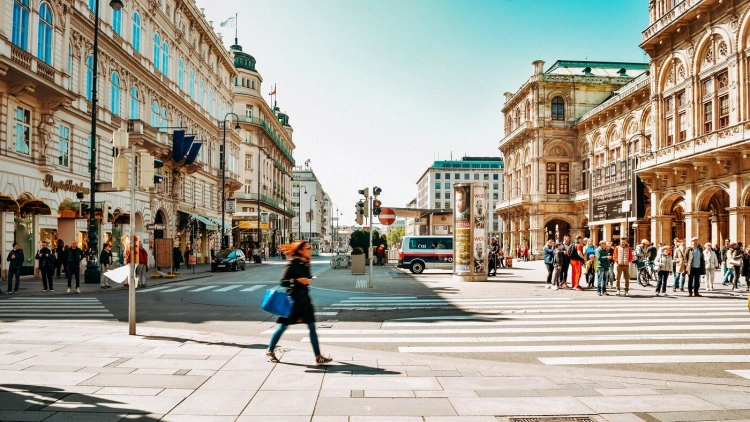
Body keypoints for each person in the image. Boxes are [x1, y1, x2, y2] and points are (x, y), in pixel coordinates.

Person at [266, 241, 332, 365]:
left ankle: (318, 356)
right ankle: (270, 350)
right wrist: (297, 281)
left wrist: (307, 280)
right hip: (293, 302)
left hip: (305, 301)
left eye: (310, 248)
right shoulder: (293, 264)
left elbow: (308, 278)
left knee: (312, 327)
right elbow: (283, 282)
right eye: (307, 248)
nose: (310, 250)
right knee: (283, 327)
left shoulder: (306, 264)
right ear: (300, 250)